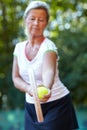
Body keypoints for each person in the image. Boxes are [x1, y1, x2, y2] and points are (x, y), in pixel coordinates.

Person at [12, 1, 79, 130]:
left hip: (57, 104)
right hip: (31, 107)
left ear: (46, 23)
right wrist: (30, 89)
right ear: (25, 20)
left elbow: (49, 71)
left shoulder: (49, 47)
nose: (36, 23)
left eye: (41, 20)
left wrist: (46, 88)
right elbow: (16, 78)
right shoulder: (18, 48)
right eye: (32, 18)